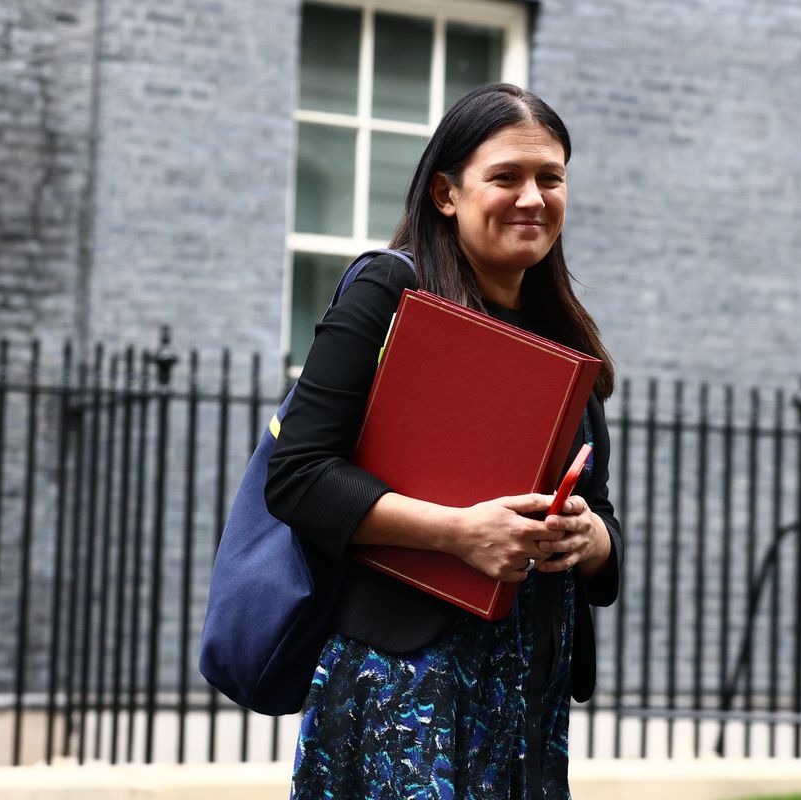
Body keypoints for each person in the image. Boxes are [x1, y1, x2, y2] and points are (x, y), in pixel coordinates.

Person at [265, 83, 622, 800]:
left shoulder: (564, 337)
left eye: (550, 178)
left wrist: (589, 541)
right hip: (404, 683)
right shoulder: (387, 294)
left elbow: (602, 509)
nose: (533, 197)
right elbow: (298, 475)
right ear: (445, 193)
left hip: (527, 692)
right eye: (506, 177)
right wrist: (457, 533)